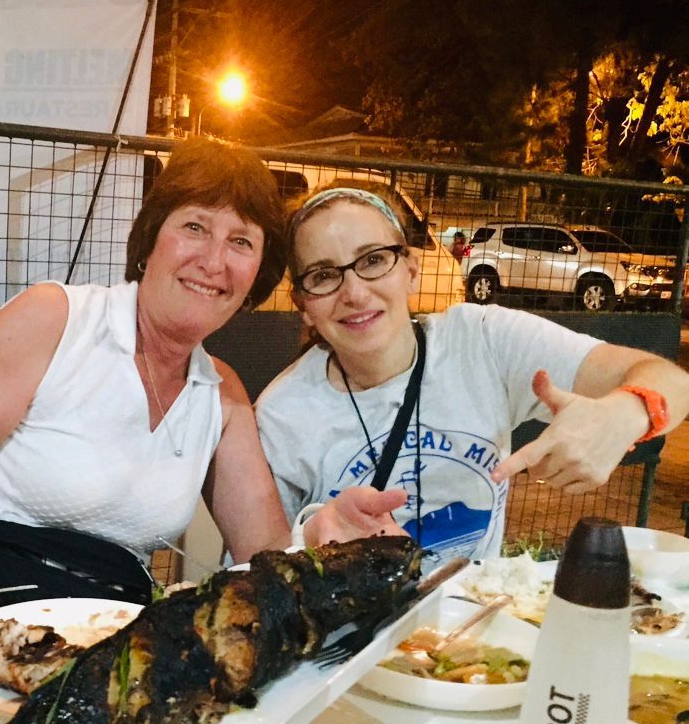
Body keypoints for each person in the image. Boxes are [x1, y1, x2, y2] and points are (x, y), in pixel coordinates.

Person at [0, 139, 302, 632]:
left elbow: (268, 558)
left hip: (103, 640)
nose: (214, 261)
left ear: (257, 275)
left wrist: (331, 540)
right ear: (150, 240)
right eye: (194, 227)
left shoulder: (221, 394)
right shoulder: (53, 322)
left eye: (241, 242)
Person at [256, 186, 689, 560]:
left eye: (373, 260)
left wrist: (624, 414)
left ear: (411, 271)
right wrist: (309, 541)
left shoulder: (483, 340)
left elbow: (674, 383)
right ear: (304, 306)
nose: (354, 292)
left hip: (474, 622)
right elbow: (256, 569)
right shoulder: (283, 415)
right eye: (323, 275)